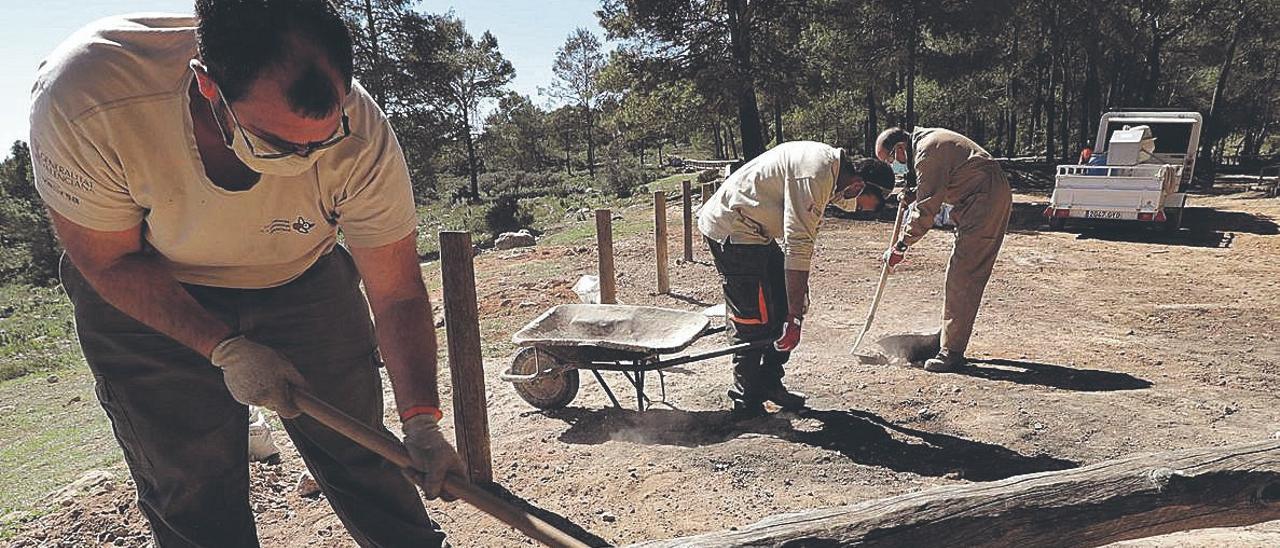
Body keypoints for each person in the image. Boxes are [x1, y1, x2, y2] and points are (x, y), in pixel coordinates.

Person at [29, 2, 462, 546]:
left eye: (323, 138)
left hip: (303, 275)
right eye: (280, 143)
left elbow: (396, 291)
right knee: (191, 481)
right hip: (148, 286)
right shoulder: (91, 96)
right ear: (208, 87)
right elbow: (108, 260)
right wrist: (222, 346)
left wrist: (421, 420)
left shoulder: (364, 135)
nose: (307, 158)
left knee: (363, 451)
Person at [698, 142, 892, 416]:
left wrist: (794, 310)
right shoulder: (814, 175)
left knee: (791, 302)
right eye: (865, 205)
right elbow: (798, 245)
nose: (861, 211)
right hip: (732, 228)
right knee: (754, 317)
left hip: (756, 231)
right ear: (858, 185)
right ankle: (746, 402)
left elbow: (840, 201)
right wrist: (794, 318)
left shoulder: (834, 172)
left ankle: (768, 381)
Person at [875, 127, 1013, 373]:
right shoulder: (926, 144)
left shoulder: (927, 151)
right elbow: (946, 179)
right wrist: (916, 193)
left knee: (964, 275)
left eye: (890, 160)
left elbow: (926, 213)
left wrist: (901, 246)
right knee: (959, 273)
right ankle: (949, 336)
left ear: (899, 149)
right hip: (979, 198)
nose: (893, 166)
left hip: (984, 200)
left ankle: (951, 351)